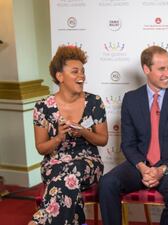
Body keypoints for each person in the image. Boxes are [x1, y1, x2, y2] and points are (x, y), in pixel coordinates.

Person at [98, 46, 168, 225]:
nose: (167, 73)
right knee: (107, 183)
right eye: (161, 69)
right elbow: (128, 144)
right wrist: (143, 168)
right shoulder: (131, 99)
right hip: (141, 165)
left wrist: (162, 170)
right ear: (146, 69)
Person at [29, 45, 108, 225]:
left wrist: (84, 132)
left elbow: (103, 140)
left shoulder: (94, 102)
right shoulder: (43, 107)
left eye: (82, 71)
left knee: (71, 172)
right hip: (54, 163)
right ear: (59, 76)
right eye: (75, 71)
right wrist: (58, 138)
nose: (82, 76)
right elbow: (41, 148)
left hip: (88, 163)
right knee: (66, 179)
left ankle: (40, 221)